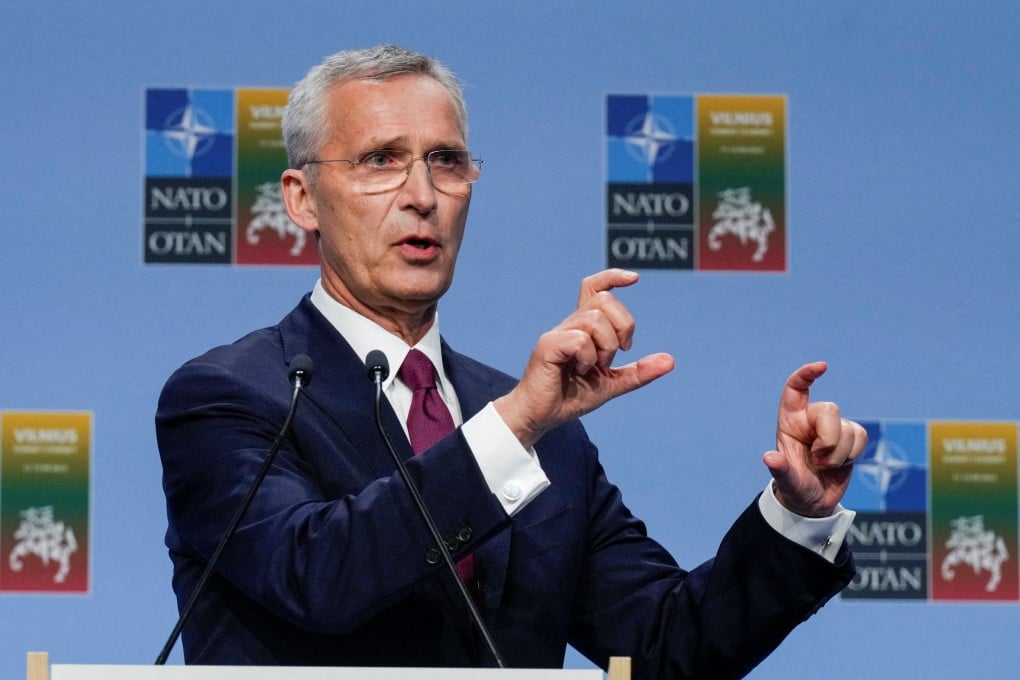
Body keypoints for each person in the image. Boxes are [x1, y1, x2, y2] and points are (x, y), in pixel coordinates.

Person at [156, 44, 867, 679]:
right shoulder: (226, 398)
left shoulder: (545, 432)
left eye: (447, 162)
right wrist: (513, 426)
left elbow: (666, 646)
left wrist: (795, 515)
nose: (422, 196)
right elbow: (319, 577)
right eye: (380, 161)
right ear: (301, 198)